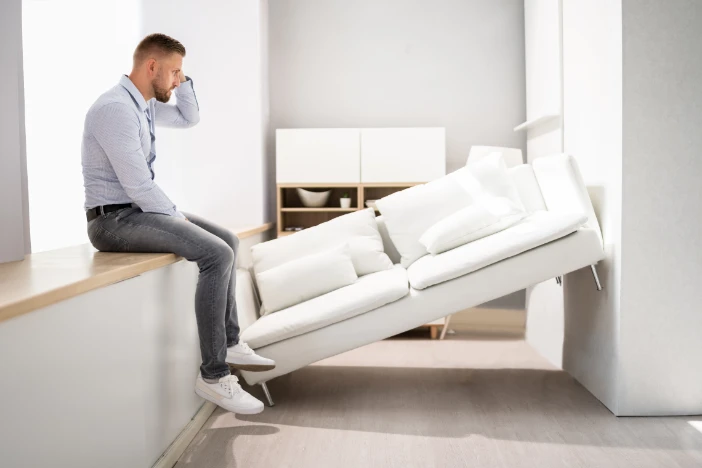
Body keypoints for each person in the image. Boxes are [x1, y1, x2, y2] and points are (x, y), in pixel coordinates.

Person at [81, 33, 274, 415]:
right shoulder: (115, 108)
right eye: (173, 72)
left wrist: (184, 81)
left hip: (136, 211)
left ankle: (230, 340)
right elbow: (137, 184)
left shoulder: (144, 105)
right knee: (215, 253)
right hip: (112, 221)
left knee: (228, 241)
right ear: (151, 66)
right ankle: (214, 375)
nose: (176, 80)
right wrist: (174, 214)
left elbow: (189, 117)